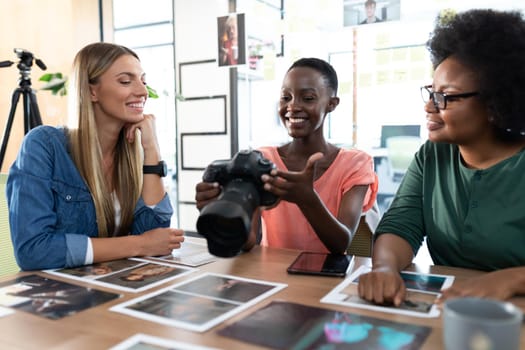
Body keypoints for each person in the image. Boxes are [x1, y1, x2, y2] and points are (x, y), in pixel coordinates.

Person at [357, 9, 525, 306]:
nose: (430, 107)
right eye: (431, 93)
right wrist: (384, 268)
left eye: (445, 96)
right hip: (449, 311)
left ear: (494, 102)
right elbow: (400, 225)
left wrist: (509, 280)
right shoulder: (432, 156)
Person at [6, 42, 184, 271]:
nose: (142, 91)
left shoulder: (133, 152)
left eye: (143, 81)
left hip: (110, 290)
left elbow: (155, 237)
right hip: (61, 297)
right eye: (125, 81)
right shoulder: (45, 146)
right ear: (91, 91)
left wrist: (152, 149)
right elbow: (33, 250)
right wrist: (138, 244)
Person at [196, 57, 378, 254]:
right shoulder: (262, 160)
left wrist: (308, 199)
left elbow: (342, 243)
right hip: (273, 276)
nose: (293, 106)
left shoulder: (355, 164)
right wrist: (222, 211)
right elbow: (248, 242)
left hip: (327, 280)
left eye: (307, 98)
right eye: (286, 97)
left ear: (331, 104)